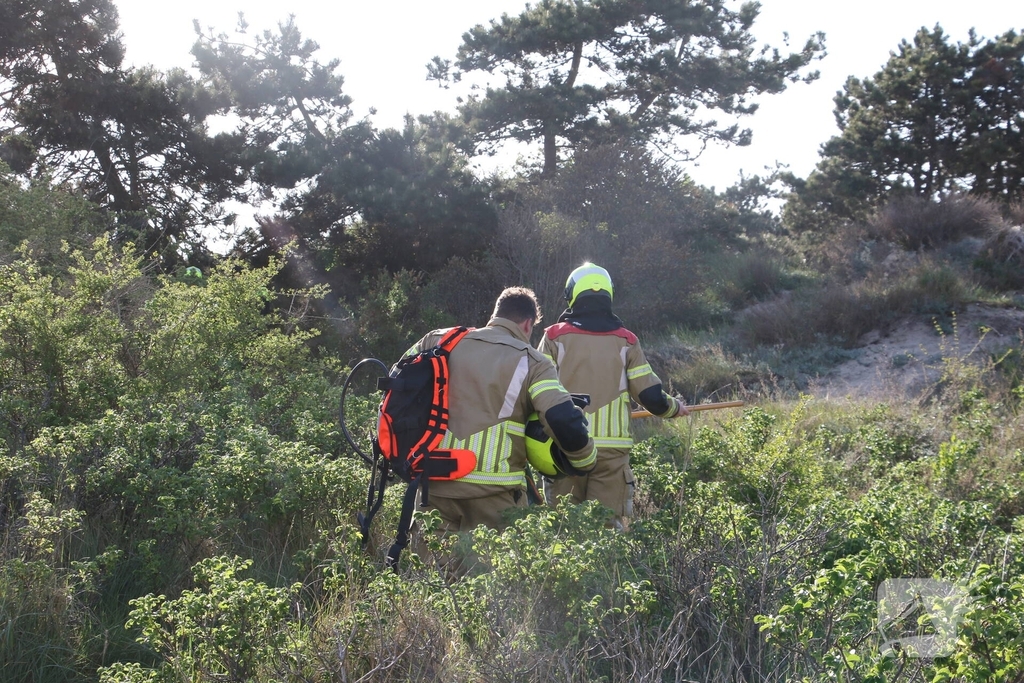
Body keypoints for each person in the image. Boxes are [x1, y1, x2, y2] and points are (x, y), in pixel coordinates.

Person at [399, 286, 596, 537]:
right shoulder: (534, 362)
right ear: (528, 324)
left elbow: (397, 386)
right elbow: (561, 418)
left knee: (431, 562)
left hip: (432, 489)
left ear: (495, 315)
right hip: (495, 494)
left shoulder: (438, 341)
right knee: (490, 563)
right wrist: (585, 460)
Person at [538, 263, 688, 530]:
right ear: (608, 294)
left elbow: (536, 391)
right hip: (611, 453)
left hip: (564, 446)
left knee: (562, 528)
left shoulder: (553, 337)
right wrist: (674, 407)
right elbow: (650, 396)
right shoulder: (627, 341)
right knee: (606, 531)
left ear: (572, 294)